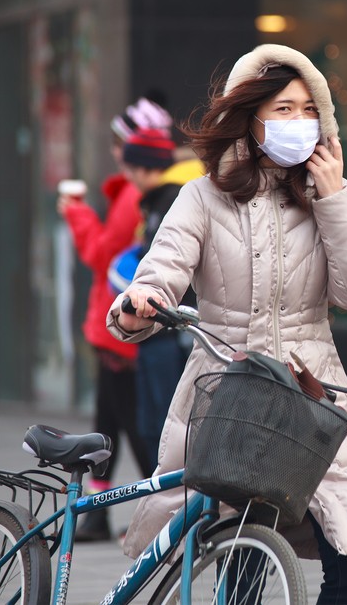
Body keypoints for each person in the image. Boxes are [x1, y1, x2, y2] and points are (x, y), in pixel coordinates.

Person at [107, 44, 347, 603]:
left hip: (312, 400)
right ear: (249, 120)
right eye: (283, 110)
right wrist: (139, 304)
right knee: (244, 562)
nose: (298, 122)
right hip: (226, 397)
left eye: (309, 110)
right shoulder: (203, 198)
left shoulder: (327, 199)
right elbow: (161, 274)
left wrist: (334, 197)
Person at [53, 99, 169, 541]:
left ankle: (157, 507)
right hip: (115, 330)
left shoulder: (134, 198)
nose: (117, 151)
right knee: (108, 424)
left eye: (123, 143)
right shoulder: (132, 193)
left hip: (125, 331)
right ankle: (101, 512)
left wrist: (77, 213)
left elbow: (101, 254)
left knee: (137, 429)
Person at [118, 126, 203, 468]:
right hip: (151, 324)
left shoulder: (175, 199)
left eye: (129, 169)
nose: (127, 177)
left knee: (167, 427)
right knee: (151, 425)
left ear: (145, 168)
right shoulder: (162, 199)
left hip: (169, 328)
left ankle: (172, 509)